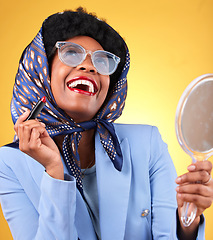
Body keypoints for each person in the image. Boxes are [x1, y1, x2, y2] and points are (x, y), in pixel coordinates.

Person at [0, 7, 212, 240]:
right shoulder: (9, 164)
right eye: (71, 53)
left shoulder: (148, 145)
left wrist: (186, 222)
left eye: (102, 61)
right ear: (42, 72)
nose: (89, 66)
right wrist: (54, 172)